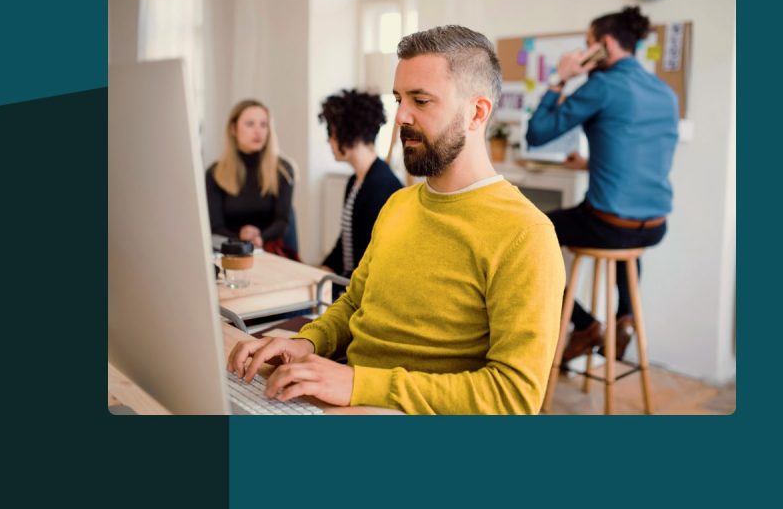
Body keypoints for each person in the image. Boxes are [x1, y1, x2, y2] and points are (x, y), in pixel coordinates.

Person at [227, 25, 564, 414]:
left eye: (421, 101)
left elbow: (513, 397)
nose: (401, 117)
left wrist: (360, 384)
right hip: (353, 396)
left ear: (477, 112)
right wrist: (305, 343)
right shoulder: (399, 205)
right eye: (399, 99)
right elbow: (354, 303)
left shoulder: (525, 234)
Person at [525, 6, 679, 366]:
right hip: (655, 227)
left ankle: (585, 325)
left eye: (587, 44)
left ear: (605, 44)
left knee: (526, 234)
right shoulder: (663, 92)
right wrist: (592, 164)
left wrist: (560, 78)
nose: (583, 52)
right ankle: (624, 318)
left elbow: (537, 133)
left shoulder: (602, 86)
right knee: (626, 235)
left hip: (608, 225)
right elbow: (644, 157)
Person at [317, 89, 403, 291]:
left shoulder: (380, 187)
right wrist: (321, 269)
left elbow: (369, 262)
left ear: (348, 134)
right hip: (348, 284)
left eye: (331, 132)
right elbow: (345, 242)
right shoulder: (356, 181)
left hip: (362, 292)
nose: (329, 141)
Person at [205, 99, 297, 259]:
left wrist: (259, 238)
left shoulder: (283, 169)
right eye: (250, 124)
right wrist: (240, 236)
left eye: (263, 124)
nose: (258, 131)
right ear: (233, 129)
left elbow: (282, 221)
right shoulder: (215, 173)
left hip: (270, 250)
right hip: (229, 251)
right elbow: (215, 226)